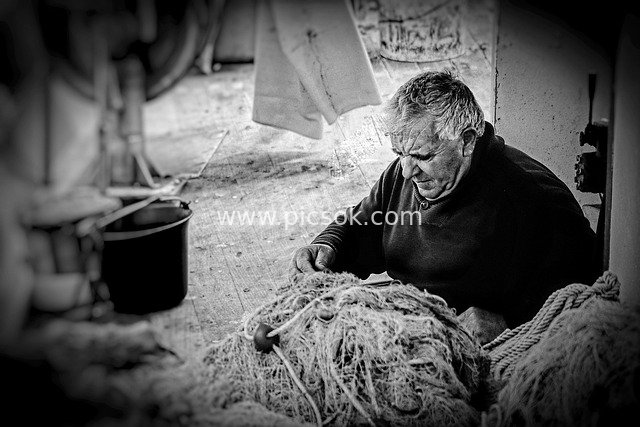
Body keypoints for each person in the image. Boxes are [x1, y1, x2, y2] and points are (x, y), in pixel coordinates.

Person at [289, 70, 596, 342]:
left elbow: (583, 293)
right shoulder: (405, 172)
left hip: (473, 351)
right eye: (400, 154)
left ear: (466, 141)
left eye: (423, 157)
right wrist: (329, 246)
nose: (408, 171)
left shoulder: (531, 200)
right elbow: (363, 226)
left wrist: (510, 321)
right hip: (412, 326)